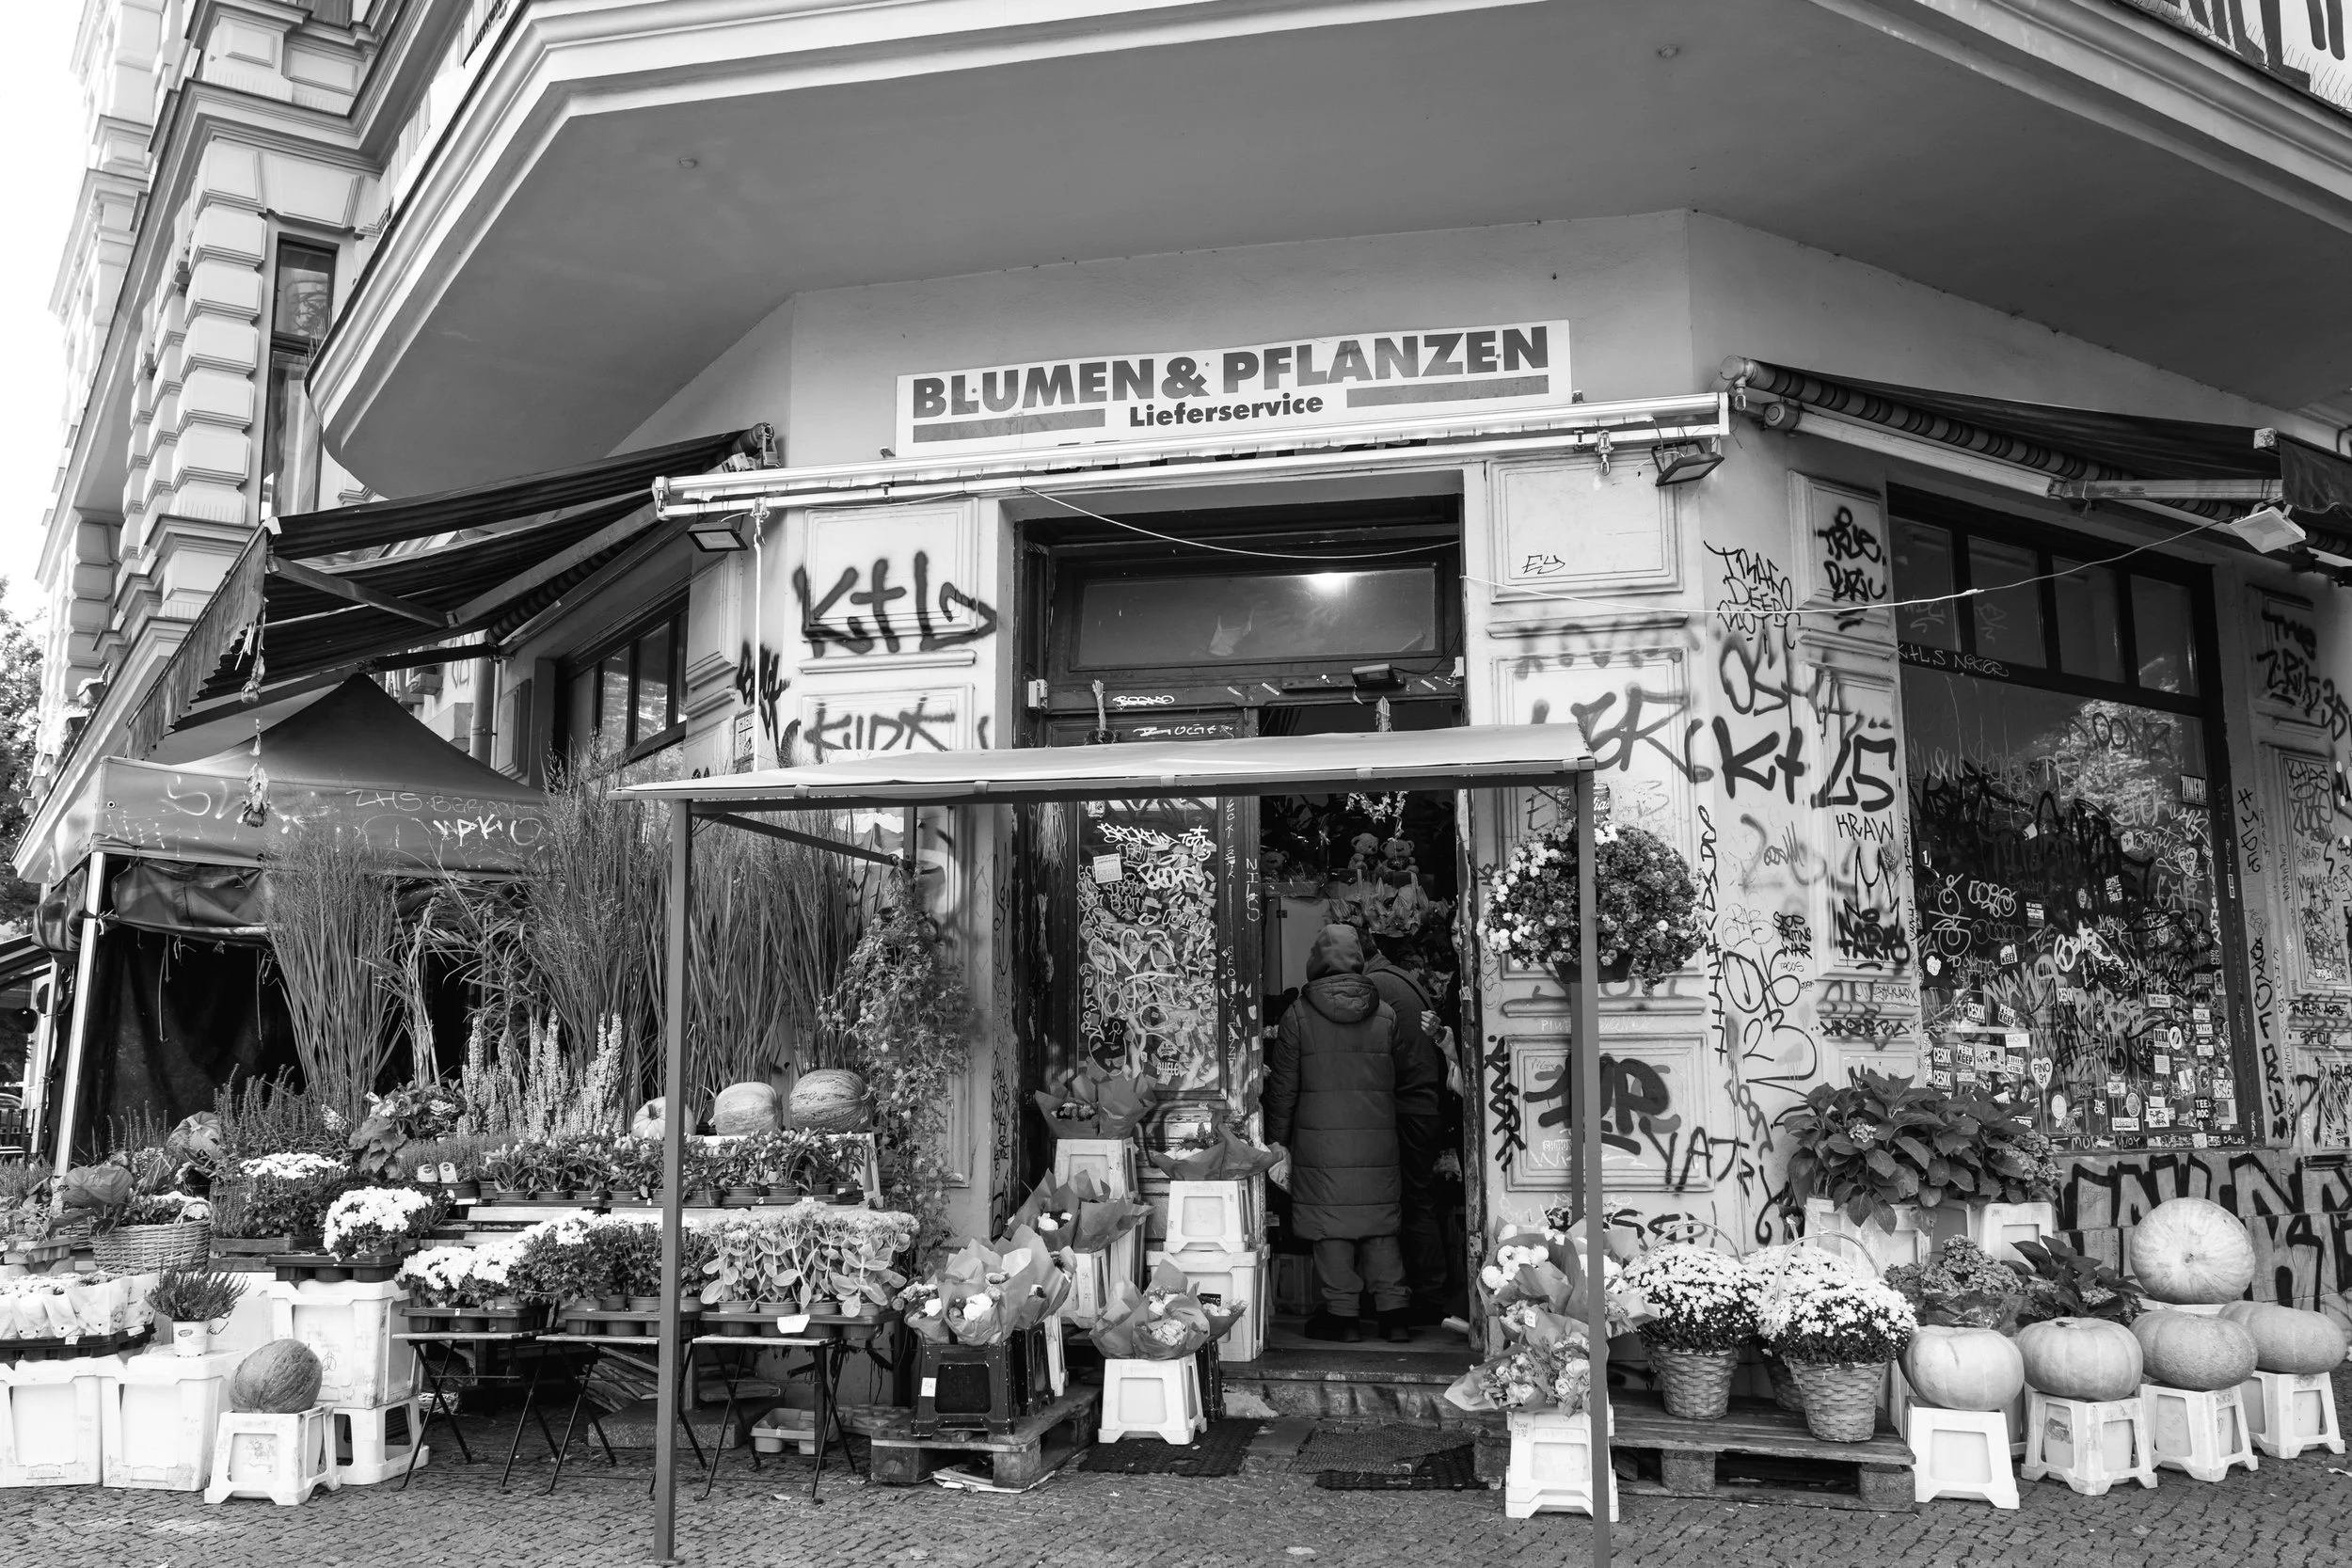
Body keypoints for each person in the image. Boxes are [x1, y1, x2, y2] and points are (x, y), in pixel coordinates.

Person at [1263, 924, 1440, 1343]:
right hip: (1378, 1137)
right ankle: (1394, 1314)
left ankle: (1342, 1315)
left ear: (1316, 961)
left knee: (1330, 1224)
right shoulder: (1386, 1014)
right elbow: (1397, 1076)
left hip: (1320, 1141)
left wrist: (1278, 1140)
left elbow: (1283, 1089)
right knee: (1379, 1222)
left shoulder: (1298, 1015)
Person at [1361, 932, 1451, 1328]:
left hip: (1408, 1104)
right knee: (1417, 1198)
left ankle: (1427, 1295)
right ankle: (1423, 1292)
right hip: (1423, 1103)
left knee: (1411, 1201)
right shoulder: (1397, 977)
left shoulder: (1376, 985)